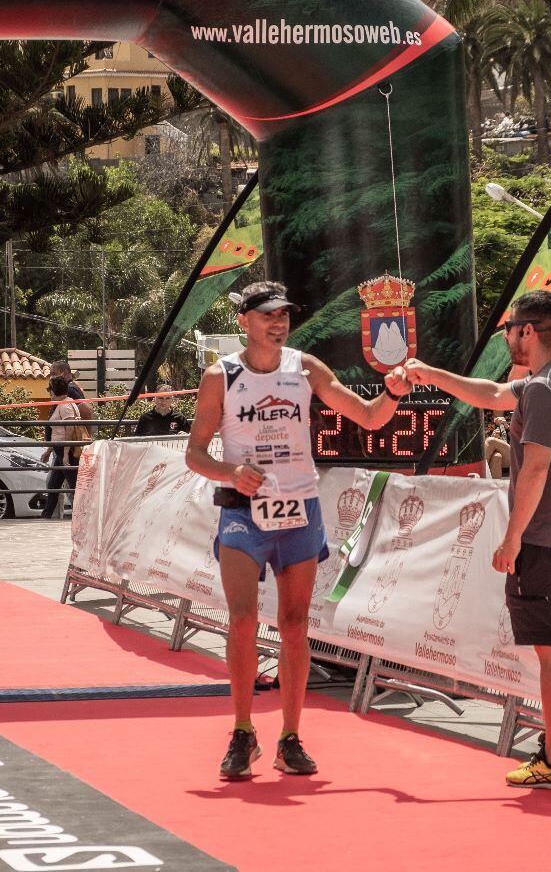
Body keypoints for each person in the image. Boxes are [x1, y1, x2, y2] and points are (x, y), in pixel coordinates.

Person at [186, 280, 410, 781]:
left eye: (284, 314)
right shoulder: (221, 376)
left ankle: (289, 738)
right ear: (243, 321)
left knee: (293, 624)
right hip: (243, 511)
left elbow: (369, 417)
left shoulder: (305, 368)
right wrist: (231, 473)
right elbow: (195, 453)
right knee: (242, 619)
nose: (279, 322)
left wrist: (393, 392)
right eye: (268, 314)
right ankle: (243, 731)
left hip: (299, 509)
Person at [401, 289, 551, 791]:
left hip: (544, 541)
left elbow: (535, 470)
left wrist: (512, 540)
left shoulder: (542, 390)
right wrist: (432, 374)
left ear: (528, 331)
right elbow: (490, 395)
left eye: (510, 328)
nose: (506, 336)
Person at [39, 377, 84, 518]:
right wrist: (49, 451)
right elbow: (59, 433)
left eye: (50, 391)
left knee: (73, 484)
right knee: (54, 484)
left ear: (53, 391)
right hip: (61, 449)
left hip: (66, 450)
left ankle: (82, 515)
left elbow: (69, 429)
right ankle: (46, 515)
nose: (49, 394)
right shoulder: (66, 403)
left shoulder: (65, 406)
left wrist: (65, 453)